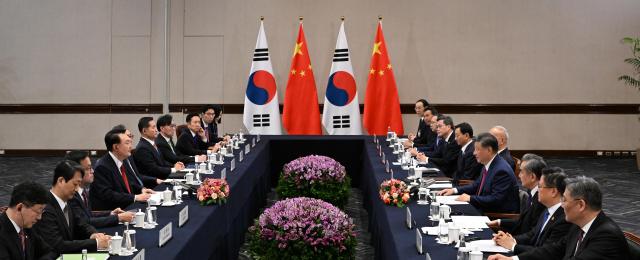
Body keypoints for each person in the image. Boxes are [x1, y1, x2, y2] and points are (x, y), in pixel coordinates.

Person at [488, 176, 630, 260]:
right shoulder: (579, 225)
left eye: (565, 200)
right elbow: (552, 250)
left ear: (581, 205)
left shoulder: (606, 235)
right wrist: (512, 258)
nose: (561, 205)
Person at [34, 161, 110, 253]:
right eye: (75, 184)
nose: (77, 188)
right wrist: (96, 243)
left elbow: (81, 224)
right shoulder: (45, 208)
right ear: (61, 181)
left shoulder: (68, 201)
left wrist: (94, 234)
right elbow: (58, 245)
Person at [493, 170, 572, 254]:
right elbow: (532, 234)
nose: (537, 190)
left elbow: (546, 252)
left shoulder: (563, 219)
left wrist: (513, 246)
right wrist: (509, 239)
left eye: (540, 186)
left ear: (553, 192)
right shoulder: (548, 209)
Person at [438, 133, 520, 213]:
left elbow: (496, 199)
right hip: (483, 207)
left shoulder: (501, 171)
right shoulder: (488, 163)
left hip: (494, 214)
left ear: (489, 150)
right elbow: (476, 185)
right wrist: (454, 190)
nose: (474, 153)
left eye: (477, 149)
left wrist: (470, 198)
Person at [90, 129, 157, 210]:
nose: (131, 146)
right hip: (113, 212)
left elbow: (128, 183)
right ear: (116, 147)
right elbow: (108, 194)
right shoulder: (102, 167)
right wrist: (135, 197)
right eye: (127, 143)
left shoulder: (123, 160)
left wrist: (141, 189)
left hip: (127, 206)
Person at [65, 150, 134, 228]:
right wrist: (118, 218)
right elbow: (85, 222)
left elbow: (89, 214)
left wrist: (111, 213)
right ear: (75, 172)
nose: (92, 171)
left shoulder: (83, 191)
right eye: (88, 168)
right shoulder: (71, 195)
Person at [487, 155, 548, 235]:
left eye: (522, 172)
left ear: (532, 176)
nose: (519, 176)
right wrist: (499, 222)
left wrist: (511, 241)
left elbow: (533, 233)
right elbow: (524, 220)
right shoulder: (531, 191)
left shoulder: (541, 200)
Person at [0, 181, 58, 260]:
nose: (39, 217)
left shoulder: (27, 227)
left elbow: (51, 252)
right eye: (38, 211)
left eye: (42, 212)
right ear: (20, 207)